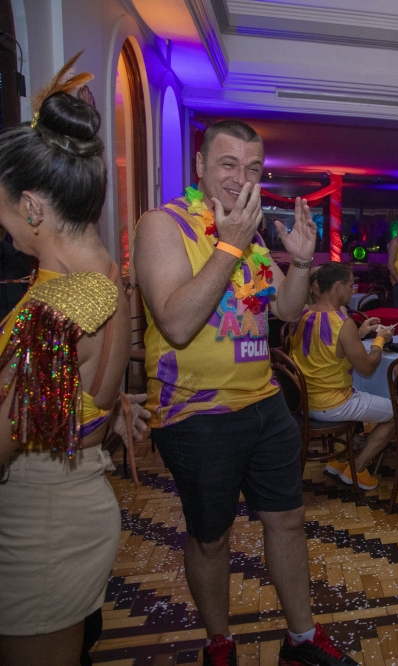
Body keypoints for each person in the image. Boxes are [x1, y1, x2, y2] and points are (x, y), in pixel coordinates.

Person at [133, 120, 356, 666]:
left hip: (265, 402)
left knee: (288, 520)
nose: (241, 177)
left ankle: (300, 639)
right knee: (211, 537)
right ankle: (220, 642)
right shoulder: (163, 225)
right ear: (200, 166)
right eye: (228, 164)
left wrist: (300, 261)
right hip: (197, 413)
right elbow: (177, 322)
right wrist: (229, 243)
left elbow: (287, 309)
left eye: (252, 168)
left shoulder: (250, 234)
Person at [0, 56, 150, 666]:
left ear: (32, 206)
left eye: (3, 208)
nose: (3, 225)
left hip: (41, 529)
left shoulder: (57, 310)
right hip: (67, 507)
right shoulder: (103, 278)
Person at [289, 261, 396, 490]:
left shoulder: (301, 313)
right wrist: (380, 340)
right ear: (338, 286)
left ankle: (337, 460)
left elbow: (328, 347)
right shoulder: (341, 323)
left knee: (360, 395)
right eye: (350, 285)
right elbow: (367, 367)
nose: (352, 290)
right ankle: (357, 468)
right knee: (395, 413)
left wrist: (359, 333)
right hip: (332, 403)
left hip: (303, 401)